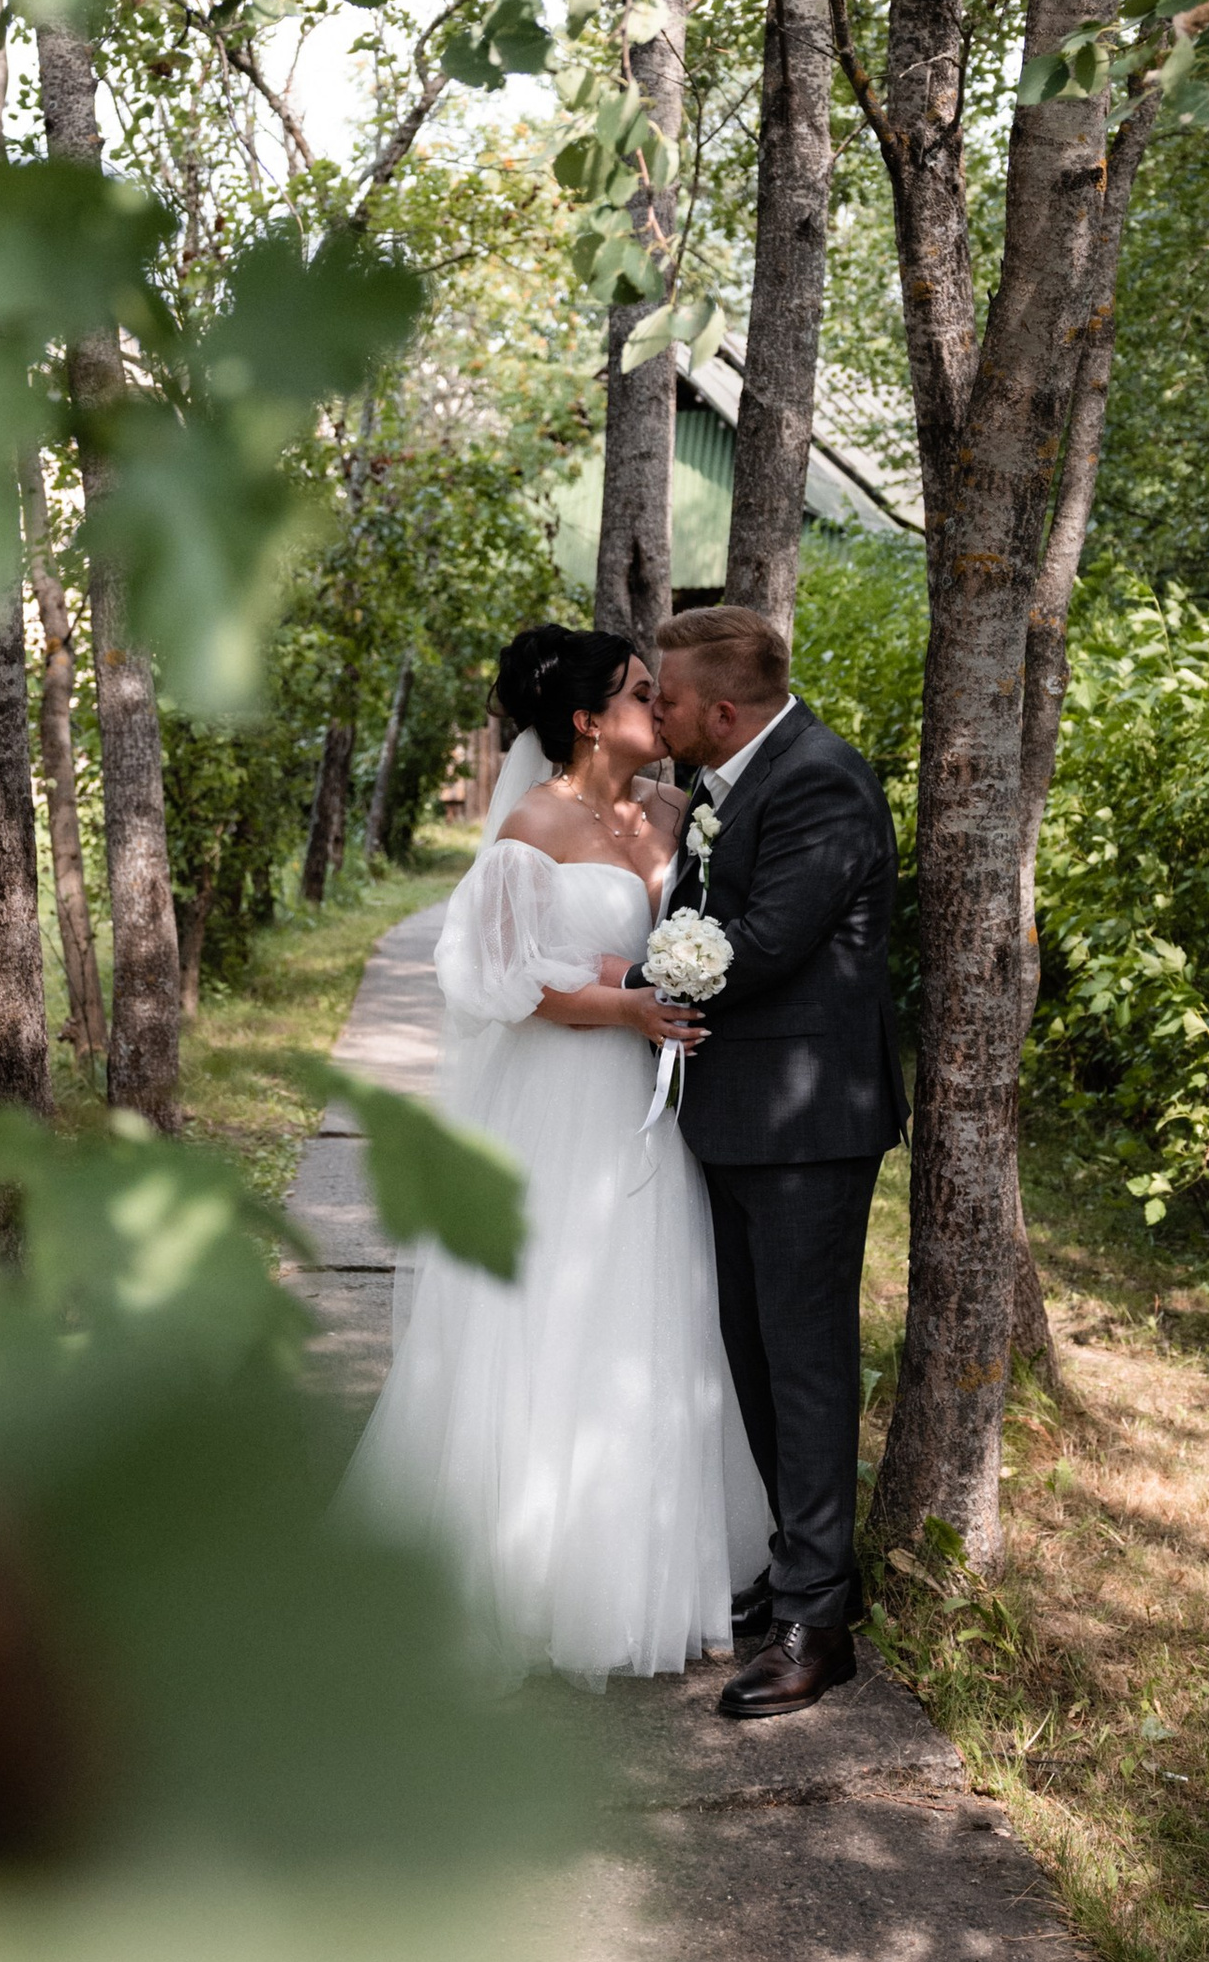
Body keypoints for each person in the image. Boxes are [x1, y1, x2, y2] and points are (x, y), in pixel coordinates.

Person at [342, 623, 768, 1683]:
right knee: (551, 1313)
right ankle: (530, 1574)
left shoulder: (675, 811)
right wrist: (621, 1007)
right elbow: (495, 981)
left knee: (656, 1308)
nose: (655, 704)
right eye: (637, 690)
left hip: (656, 1104)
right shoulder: (531, 825)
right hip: (566, 1096)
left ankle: (660, 1569)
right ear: (587, 719)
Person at [647, 602, 906, 1719]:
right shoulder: (729, 778)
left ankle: (818, 1620)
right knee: (754, 1353)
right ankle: (797, 1569)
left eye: (663, 700)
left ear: (719, 706)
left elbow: (757, 946)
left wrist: (625, 984)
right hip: (741, 1113)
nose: (653, 716)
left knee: (803, 1362)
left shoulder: (818, 780)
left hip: (806, 1126)